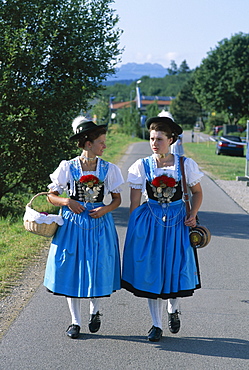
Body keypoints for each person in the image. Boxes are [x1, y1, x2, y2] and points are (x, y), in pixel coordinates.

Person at [122, 116, 203, 342]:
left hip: (178, 223)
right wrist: (134, 231)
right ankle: (156, 325)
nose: (154, 143)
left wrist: (193, 214)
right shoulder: (142, 166)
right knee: (152, 272)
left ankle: (172, 308)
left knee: (174, 269)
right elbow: (135, 202)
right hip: (151, 223)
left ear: (171, 139)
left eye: (159, 138)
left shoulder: (184, 165)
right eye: (151, 138)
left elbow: (197, 192)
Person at [43, 116, 124, 339]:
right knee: (72, 269)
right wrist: (67, 201)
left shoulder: (109, 169)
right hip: (73, 224)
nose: (105, 146)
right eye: (101, 142)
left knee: (98, 267)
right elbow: (51, 196)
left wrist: (105, 209)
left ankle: (95, 311)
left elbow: (117, 199)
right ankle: (75, 321)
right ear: (88, 143)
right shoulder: (67, 167)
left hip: (99, 224)